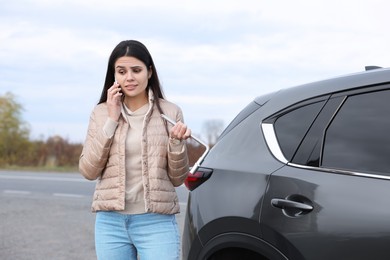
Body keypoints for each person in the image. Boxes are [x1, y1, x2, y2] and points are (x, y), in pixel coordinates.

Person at [79, 40, 191, 260]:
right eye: (121, 71)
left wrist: (177, 144)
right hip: (111, 223)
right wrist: (111, 119)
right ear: (114, 76)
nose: (129, 77)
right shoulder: (101, 112)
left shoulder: (170, 112)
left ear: (149, 72)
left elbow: (178, 179)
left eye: (136, 70)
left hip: (156, 222)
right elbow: (88, 171)